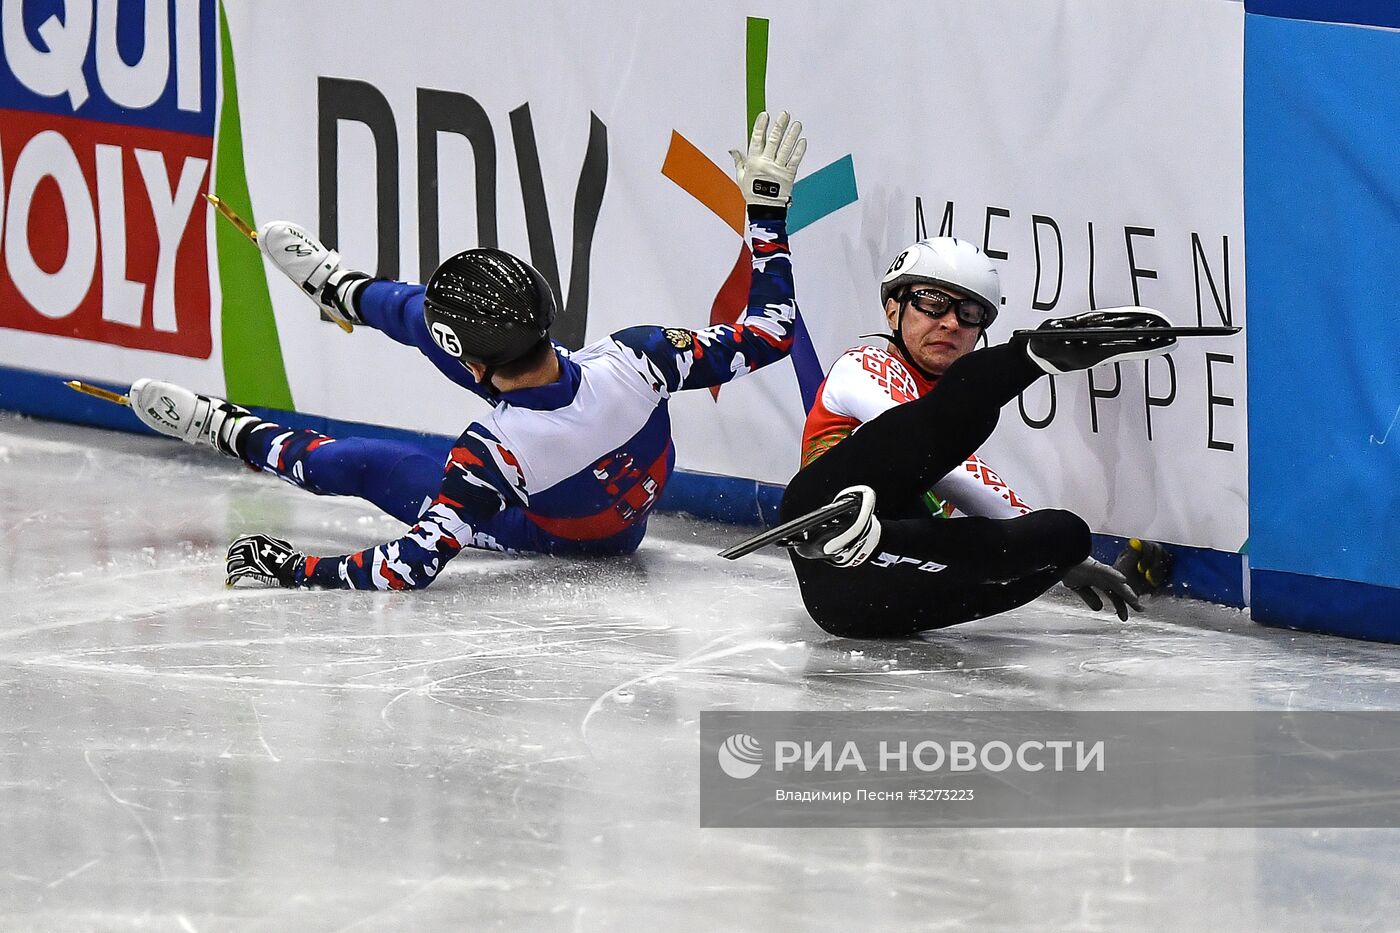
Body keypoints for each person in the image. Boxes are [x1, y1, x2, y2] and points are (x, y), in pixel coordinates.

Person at [129, 112, 808, 590]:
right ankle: (341, 291)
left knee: (359, 462)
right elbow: (773, 331)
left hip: (551, 528)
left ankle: (228, 428)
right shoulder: (639, 357)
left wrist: (291, 569)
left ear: (473, 370)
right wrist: (768, 215)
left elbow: (408, 566)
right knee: (443, 333)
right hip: (582, 451)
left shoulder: (494, 451)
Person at [778, 236, 1175, 638]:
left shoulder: (961, 400)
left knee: (1065, 533)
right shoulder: (862, 365)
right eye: (932, 302)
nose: (950, 322)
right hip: (821, 541)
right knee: (966, 415)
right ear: (893, 310)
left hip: (890, 587)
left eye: (969, 313)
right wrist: (1021, 364)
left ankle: (876, 538)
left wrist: (1062, 557)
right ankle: (1029, 357)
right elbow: (942, 450)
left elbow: (978, 484)